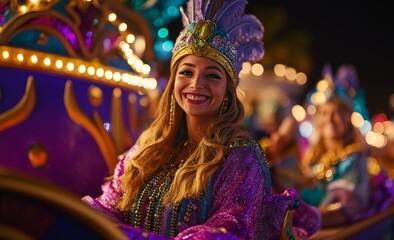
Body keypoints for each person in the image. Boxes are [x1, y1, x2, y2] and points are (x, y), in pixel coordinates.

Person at [82, 0, 321, 239]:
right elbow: (107, 208)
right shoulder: (147, 147)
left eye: (212, 75)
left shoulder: (241, 158)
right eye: (187, 72)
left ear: (228, 90)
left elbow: (224, 232)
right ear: (174, 80)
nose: (196, 84)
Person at [298, 64, 370, 228]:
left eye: (337, 112)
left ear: (348, 118)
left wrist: (301, 222)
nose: (330, 119)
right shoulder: (312, 155)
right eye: (324, 113)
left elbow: (347, 206)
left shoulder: (354, 158)